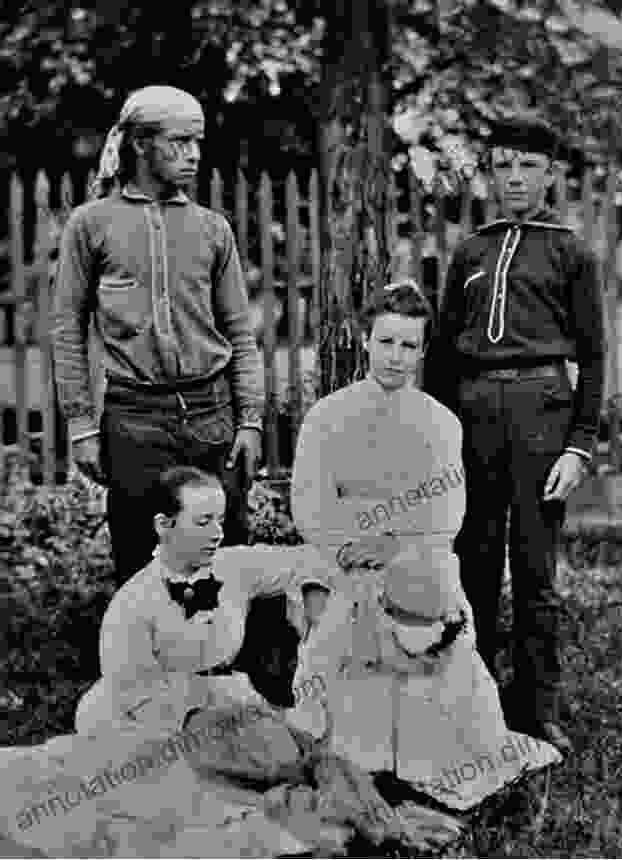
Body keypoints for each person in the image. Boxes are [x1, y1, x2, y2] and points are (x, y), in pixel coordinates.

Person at [290, 281, 561, 806]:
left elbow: (446, 510)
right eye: (386, 342)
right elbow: (309, 503)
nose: (396, 357)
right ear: (365, 340)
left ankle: (425, 754)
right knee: (342, 619)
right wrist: (351, 545)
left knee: (427, 607)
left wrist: (396, 545)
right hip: (340, 555)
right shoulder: (327, 416)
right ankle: (356, 752)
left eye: (409, 346)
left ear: (422, 350)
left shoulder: (440, 422)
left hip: (412, 556)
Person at [423, 115, 606, 754]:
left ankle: (535, 705)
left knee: (534, 569)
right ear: (491, 173)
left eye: (528, 165)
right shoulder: (471, 250)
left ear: (551, 174)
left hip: (541, 412)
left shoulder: (570, 251)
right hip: (474, 414)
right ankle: (467, 697)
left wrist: (580, 443)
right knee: (471, 561)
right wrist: (439, 436)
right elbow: (442, 353)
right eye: (504, 165)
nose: (515, 177)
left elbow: (595, 355)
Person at [50, 85, 264, 584]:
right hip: (135, 421)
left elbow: (239, 331)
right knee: (139, 562)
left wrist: (250, 419)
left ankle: (224, 660)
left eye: (197, 143)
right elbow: (67, 329)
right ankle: (142, 662)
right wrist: (82, 425)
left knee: (225, 556)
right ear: (141, 144)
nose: (193, 155)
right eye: (179, 142)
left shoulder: (213, 229)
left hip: (213, 417)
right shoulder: (91, 224)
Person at [74, 465, 333, 739]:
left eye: (219, 521)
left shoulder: (233, 566)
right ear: (164, 525)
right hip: (154, 719)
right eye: (202, 522)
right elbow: (137, 698)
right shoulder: (131, 603)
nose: (217, 534)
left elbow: (314, 560)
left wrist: (314, 600)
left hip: (228, 700)